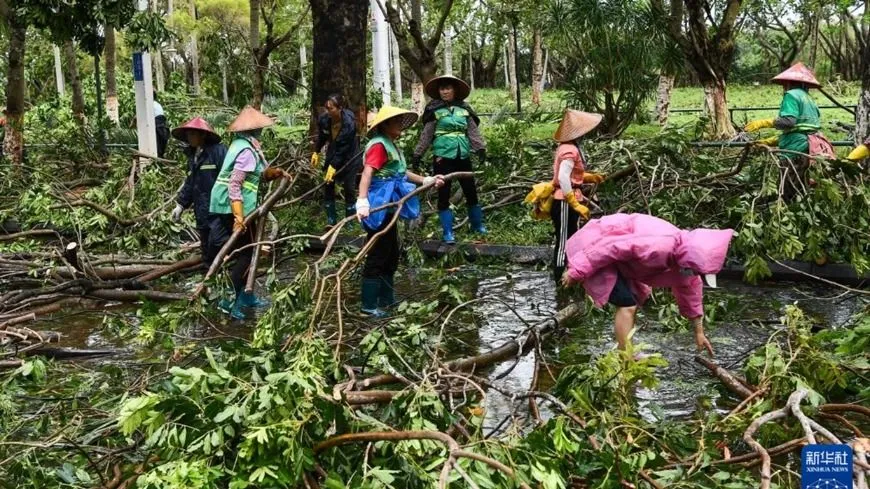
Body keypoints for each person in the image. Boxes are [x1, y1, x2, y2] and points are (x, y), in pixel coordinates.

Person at [561, 213, 733, 356]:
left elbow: (691, 292)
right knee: (627, 305)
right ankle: (626, 356)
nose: (695, 275)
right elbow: (610, 247)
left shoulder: (686, 262)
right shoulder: (658, 246)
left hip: (623, 264)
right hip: (596, 245)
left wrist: (699, 333)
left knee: (634, 300)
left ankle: (627, 348)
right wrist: (577, 270)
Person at [357, 106, 444, 317]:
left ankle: (387, 299)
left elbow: (401, 173)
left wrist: (426, 180)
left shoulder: (391, 146)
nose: (400, 126)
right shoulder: (379, 146)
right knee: (378, 253)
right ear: (385, 125)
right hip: (380, 202)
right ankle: (368, 305)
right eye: (396, 122)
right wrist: (362, 200)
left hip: (392, 201)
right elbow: (367, 173)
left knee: (391, 253)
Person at [208, 106, 290, 320]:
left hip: (231, 205)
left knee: (247, 252)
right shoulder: (246, 151)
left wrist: (276, 173)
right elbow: (235, 185)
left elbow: (258, 176)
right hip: (234, 207)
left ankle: (244, 296)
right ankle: (231, 300)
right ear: (253, 132)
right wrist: (239, 217)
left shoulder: (242, 146)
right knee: (246, 255)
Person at [412, 75, 486, 243]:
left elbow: (473, 131)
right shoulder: (434, 110)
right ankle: (448, 232)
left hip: (463, 154)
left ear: (455, 90)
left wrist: (480, 148)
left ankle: (477, 225)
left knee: (470, 190)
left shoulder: (464, 109)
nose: (444, 91)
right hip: (442, 156)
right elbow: (426, 135)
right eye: (442, 89)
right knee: (443, 193)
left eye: (448, 88)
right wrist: (418, 154)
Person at [549, 110, 606, 282]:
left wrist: (589, 177)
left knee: (573, 237)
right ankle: (559, 277)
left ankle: (571, 274)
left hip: (570, 196)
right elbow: (562, 178)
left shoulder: (569, 147)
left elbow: (572, 174)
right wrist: (573, 202)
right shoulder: (569, 150)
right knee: (564, 239)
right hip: (564, 201)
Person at [743, 63, 835, 165]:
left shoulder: (791, 95)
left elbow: (789, 122)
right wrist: (771, 141)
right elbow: (802, 129)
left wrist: (763, 123)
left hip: (797, 151)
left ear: (788, 83)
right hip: (814, 145)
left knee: (791, 178)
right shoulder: (809, 98)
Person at [170, 117, 228, 261]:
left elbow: (229, 178)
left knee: (217, 242)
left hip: (218, 210)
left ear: (203, 135)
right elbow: (191, 183)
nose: (189, 137)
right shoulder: (193, 156)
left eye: (192, 134)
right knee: (206, 247)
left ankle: (221, 274)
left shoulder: (218, 152)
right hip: (201, 211)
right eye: (188, 134)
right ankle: (210, 278)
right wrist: (181, 205)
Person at [314, 94, 361, 226]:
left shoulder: (349, 123)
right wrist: (316, 151)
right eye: (326, 108)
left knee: (349, 188)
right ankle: (331, 219)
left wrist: (333, 165)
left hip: (350, 157)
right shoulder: (324, 119)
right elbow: (322, 136)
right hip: (333, 152)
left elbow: (343, 148)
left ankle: (349, 221)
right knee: (328, 183)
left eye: (331, 108)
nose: (328, 111)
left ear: (340, 108)